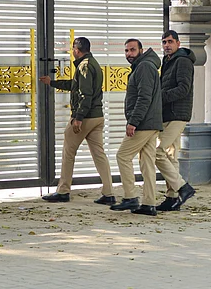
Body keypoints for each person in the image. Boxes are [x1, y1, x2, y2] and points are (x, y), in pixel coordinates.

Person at [39, 37, 115, 205]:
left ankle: (63, 190)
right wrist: (52, 82)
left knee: (68, 152)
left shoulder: (84, 66)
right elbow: (75, 86)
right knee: (99, 155)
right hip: (97, 117)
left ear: (77, 50)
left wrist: (78, 118)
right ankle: (109, 193)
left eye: (72, 49)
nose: (71, 52)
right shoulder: (92, 63)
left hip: (86, 117)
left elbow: (85, 94)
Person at [110, 39, 162, 216]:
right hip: (150, 122)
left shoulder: (144, 67)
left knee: (122, 156)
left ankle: (130, 197)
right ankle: (149, 203)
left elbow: (144, 97)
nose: (129, 54)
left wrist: (133, 121)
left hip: (144, 123)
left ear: (141, 50)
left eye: (132, 50)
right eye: (126, 51)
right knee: (147, 163)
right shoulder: (144, 66)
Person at [155, 30, 196, 211]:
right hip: (166, 114)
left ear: (178, 43)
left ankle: (183, 187)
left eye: (170, 42)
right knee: (171, 156)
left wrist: (159, 97)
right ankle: (172, 197)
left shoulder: (183, 61)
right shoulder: (167, 61)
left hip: (178, 114)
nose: (167, 45)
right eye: (164, 42)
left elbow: (183, 89)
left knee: (158, 152)